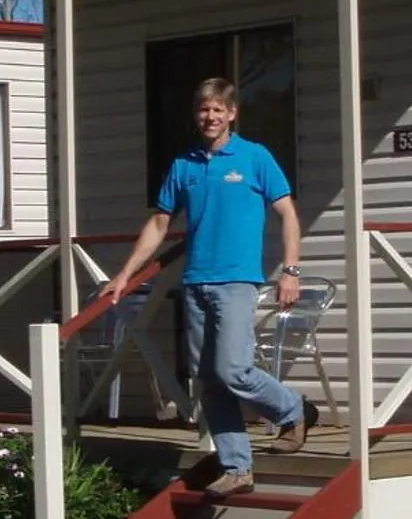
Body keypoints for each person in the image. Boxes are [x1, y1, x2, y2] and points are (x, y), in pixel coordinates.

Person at [102, 77, 315, 496]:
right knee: (209, 380)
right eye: (204, 110)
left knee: (233, 369)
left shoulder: (255, 157)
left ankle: (293, 408)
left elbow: (288, 214)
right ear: (196, 115)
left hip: (237, 281)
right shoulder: (184, 165)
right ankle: (237, 467)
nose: (210, 116)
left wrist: (291, 270)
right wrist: (126, 272)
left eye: (218, 109)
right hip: (196, 281)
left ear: (232, 113)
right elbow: (160, 223)